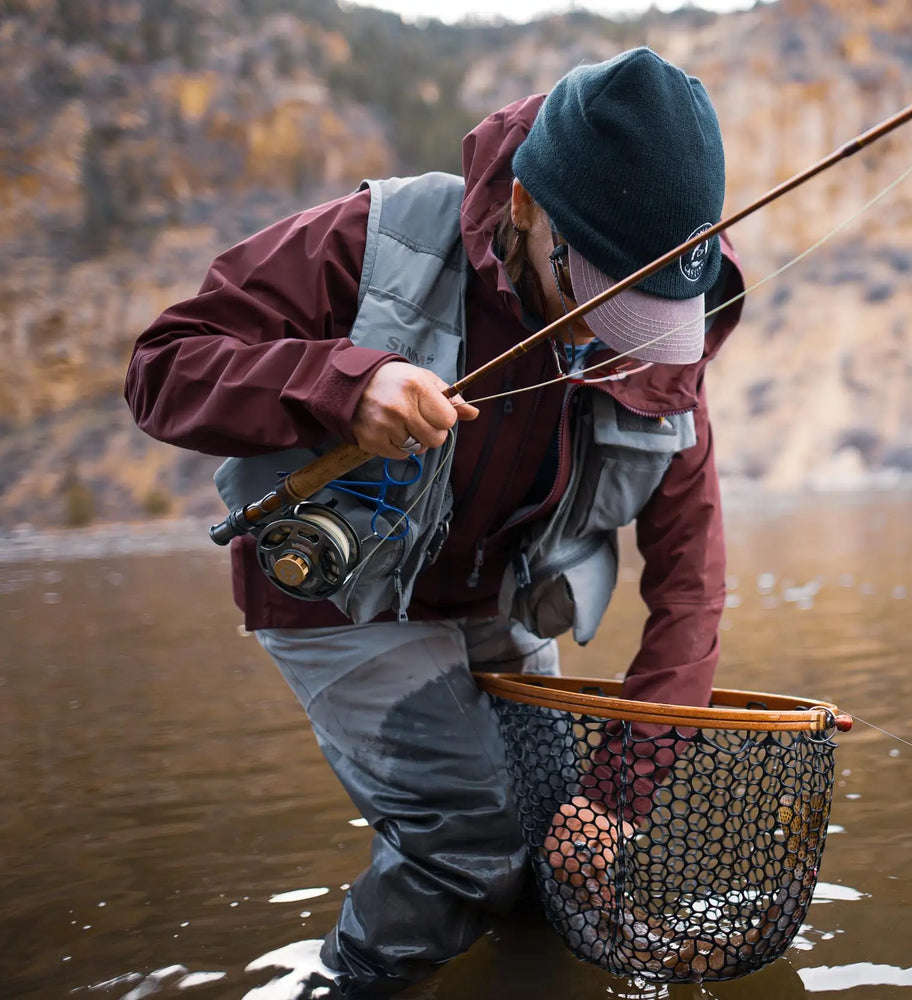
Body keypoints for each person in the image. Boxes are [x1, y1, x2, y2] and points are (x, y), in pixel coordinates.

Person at [124, 48, 742, 997]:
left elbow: (692, 584)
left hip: (498, 598)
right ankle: (350, 985)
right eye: (601, 302)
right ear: (529, 209)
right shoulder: (376, 240)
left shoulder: (663, 338)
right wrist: (342, 384)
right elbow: (160, 368)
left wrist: (620, 795)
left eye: (650, 316)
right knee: (469, 842)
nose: (608, 346)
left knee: (557, 858)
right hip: (345, 604)